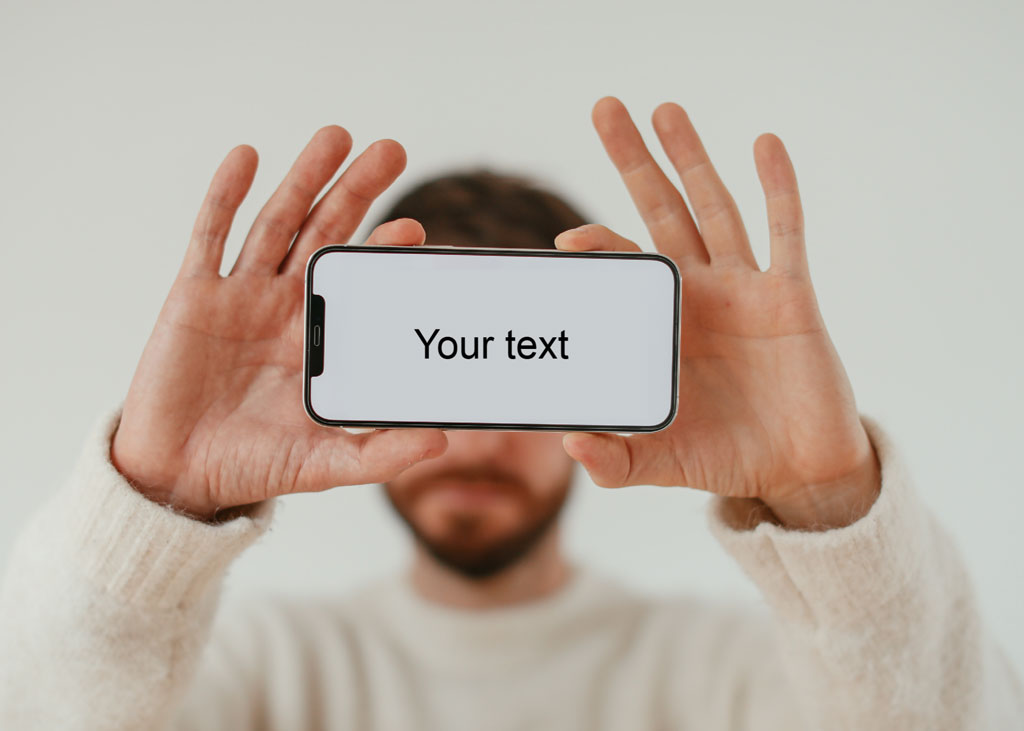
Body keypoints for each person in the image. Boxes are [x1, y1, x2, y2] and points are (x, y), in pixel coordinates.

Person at [1, 97, 1021, 730]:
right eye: (441, 364)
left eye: (525, 367)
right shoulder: (258, 669)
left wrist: (827, 504)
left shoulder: (725, 672)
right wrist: (150, 505)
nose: (481, 440)